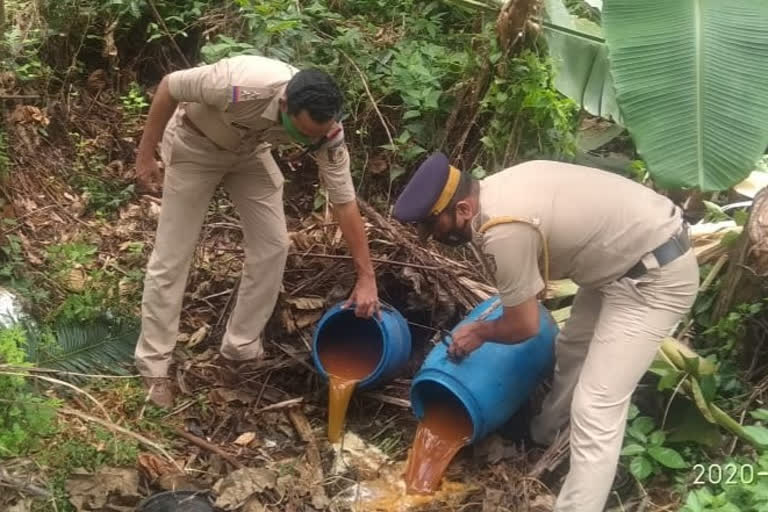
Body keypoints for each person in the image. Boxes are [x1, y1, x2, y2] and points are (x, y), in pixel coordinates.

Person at [391, 153, 699, 512]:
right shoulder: (499, 188)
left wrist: (479, 332)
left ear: (462, 208)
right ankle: (545, 434)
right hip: (620, 265)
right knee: (571, 348)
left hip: (654, 279)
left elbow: (524, 325)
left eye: (436, 226)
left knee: (596, 407)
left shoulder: (504, 228)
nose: (435, 237)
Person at [134, 55, 380, 408]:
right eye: (302, 133)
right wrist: (146, 154)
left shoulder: (327, 133)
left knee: (274, 245)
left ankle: (240, 346)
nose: (308, 142)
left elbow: (343, 201)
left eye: (317, 136)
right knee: (174, 254)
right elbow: (169, 85)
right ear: (284, 105)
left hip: (250, 152)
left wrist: (366, 276)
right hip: (195, 144)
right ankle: (154, 364)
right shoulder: (238, 84)